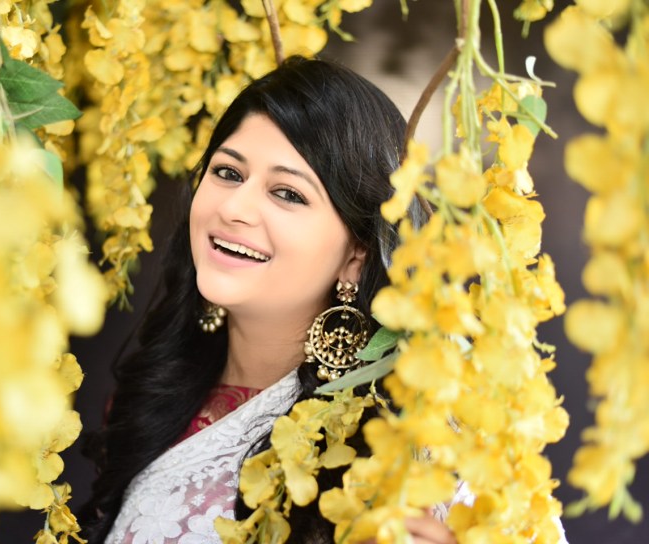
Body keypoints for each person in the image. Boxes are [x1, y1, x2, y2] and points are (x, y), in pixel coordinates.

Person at [77, 56, 523, 543]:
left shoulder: (422, 435)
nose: (234, 207)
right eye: (228, 172)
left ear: (356, 253)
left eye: (287, 193)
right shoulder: (155, 398)